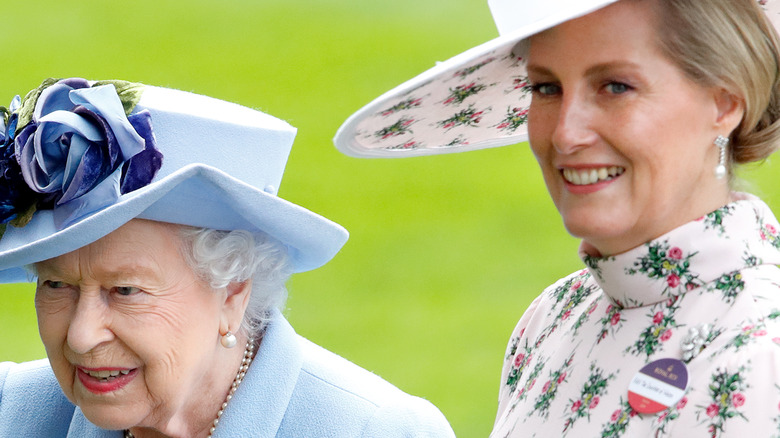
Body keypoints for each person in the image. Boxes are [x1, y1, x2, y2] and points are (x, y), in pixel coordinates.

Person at [334, 0, 780, 435]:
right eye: (546, 88)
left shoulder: (764, 352)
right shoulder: (555, 315)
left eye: (615, 86)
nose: (566, 133)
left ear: (724, 104)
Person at [0, 77, 455, 437]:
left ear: (233, 292)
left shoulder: (375, 431)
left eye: (125, 290)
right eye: (56, 284)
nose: (80, 337)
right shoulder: (11, 413)